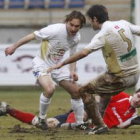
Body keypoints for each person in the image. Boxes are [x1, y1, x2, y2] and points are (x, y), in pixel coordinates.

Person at [46, 5, 140, 134]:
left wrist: (61, 64)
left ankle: (99, 125)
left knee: (84, 90)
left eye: (90, 20)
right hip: (135, 76)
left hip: (120, 77)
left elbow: (83, 53)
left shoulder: (103, 34)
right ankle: (99, 118)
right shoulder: (123, 23)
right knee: (105, 91)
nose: (90, 23)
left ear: (95, 19)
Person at [4, 11, 87, 130]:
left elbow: (73, 55)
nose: (73, 28)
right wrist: (14, 47)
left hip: (58, 66)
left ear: (81, 26)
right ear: (66, 22)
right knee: (50, 89)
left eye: (77, 26)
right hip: (42, 63)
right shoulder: (55, 30)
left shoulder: (77, 37)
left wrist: (72, 71)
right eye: (71, 24)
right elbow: (32, 35)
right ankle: (42, 118)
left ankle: (79, 123)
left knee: (76, 92)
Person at [1, 90, 140, 129]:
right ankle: (76, 125)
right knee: (84, 116)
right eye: (138, 96)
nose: (138, 100)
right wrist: (95, 113)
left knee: (42, 124)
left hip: (89, 126)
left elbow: (119, 126)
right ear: (135, 93)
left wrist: (132, 122)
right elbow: (98, 99)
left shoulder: (133, 116)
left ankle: (7, 109)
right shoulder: (122, 96)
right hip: (85, 115)